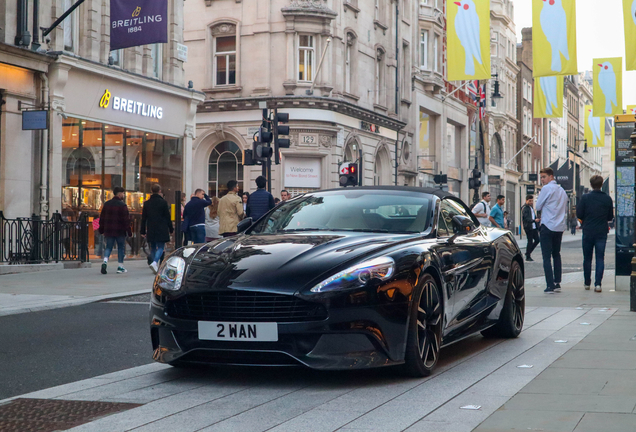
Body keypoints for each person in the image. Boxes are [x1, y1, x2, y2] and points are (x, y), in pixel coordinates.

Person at [577, 175, 614, 292]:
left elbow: (579, 214)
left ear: (591, 184)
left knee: (587, 258)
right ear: (601, 184)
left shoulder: (585, 198)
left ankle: (587, 283)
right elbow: (610, 217)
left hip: (588, 230)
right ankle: (598, 284)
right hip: (601, 231)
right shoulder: (607, 198)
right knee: (600, 258)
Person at [536, 167, 568, 294]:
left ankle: (550, 285)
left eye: (544, 177)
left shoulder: (546, 189)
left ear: (551, 176)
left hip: (548, 225)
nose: (542, 180)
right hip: (559, 227)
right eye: (541, 177)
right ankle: (557, 282)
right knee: (556, 254)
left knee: (546, 256)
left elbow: (538, 206)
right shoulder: (562, 190)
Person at [140, 184, 174, 274]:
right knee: (161, 247)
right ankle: (155, 262)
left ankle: (153, 262)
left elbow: (143, 218)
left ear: (151, 191)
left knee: (153, 247)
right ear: (159, 191)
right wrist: (171, 228)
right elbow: (167, 216)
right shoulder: (163, 203)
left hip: (151, 227)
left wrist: (142, 230)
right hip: (161, 227)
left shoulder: (147, 203)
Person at [98, 186, 132, 274]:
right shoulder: (122, 205)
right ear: (120, 193)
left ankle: (105, 261)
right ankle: (120, 266)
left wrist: (101, 229)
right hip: (120, 230)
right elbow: (126, 220)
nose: (124, 195)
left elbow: (102, 218)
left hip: (109, 229)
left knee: (108, 247)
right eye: (123, 193)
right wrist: (129, 231)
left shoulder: (107, 204)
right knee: (121, 247)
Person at [521, 195, 540, 262]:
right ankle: (528, 255)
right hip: (528, 227)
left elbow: (533, 216)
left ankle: (528, 253)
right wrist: (534, 220)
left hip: (533, 227)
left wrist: (536, 223)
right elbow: (526, 218)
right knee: (530, 241)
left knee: (537, 240)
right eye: (530, 201)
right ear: (526, 200)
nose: (531, 202)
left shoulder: (531, 208)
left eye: (532, 201)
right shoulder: (525, 208)